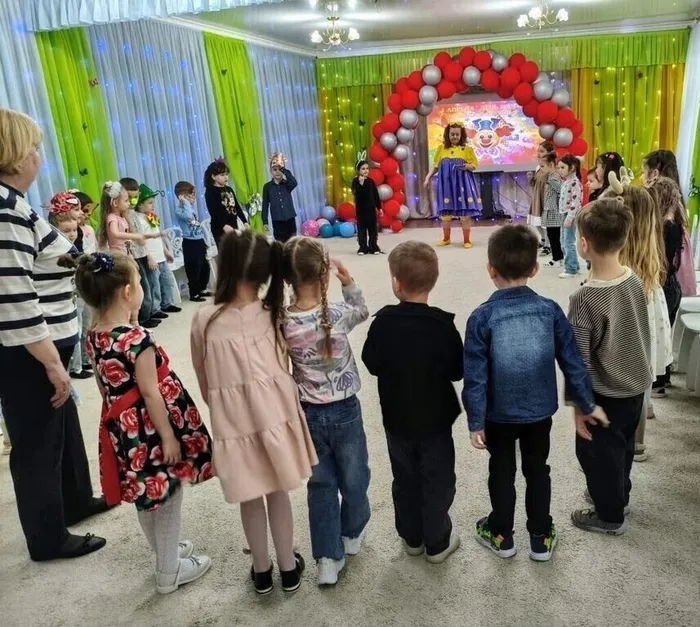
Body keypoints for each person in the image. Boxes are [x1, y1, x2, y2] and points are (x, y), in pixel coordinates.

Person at [70, 252, 213, 594]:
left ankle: (164, 552)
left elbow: (105, 389)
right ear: (128, 292)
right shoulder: (137, 339)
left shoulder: (94, 334)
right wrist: (169, 437)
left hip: (125, 429)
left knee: (146, 493)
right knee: (168, 492)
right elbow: (150, 393)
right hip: (153, 429)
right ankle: (169, 571)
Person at [0, 107, 107, 561]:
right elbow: (13, 299)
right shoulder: (5, 211)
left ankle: (76, 500)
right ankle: (47, 538)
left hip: (52, 336)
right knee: (37, 442)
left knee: (62, 427)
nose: (38, 157)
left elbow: (59, 253)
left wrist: (99, 266)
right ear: (15, 154)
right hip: (28, 350)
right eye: (35, 148)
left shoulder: (17, 203)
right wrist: (50, 363)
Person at [463, 224, 601, 561]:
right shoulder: (550, 310)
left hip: (498, 415)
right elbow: (572, 361)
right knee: (538, 469)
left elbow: (475, 377)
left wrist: (475, 420)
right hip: (540, 412)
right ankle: (540, 535)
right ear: (536, 269)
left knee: (501, 470)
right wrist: (586, 402)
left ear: (490, 269)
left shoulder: (481, 317)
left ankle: (501, 534)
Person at [191, 230, 315, 595]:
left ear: (224, 264)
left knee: (250, 495)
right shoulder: (274, 313)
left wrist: (223, 410)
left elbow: (203, 377)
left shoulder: (204, 319)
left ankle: (262, 572)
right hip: (275, 414)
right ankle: (288, 569)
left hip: (234, 421)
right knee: (277, 491)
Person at [361, 241, 462, 562]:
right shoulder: (443, 326)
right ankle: (437, 542)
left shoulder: (382, 323)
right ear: (433, 281)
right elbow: (458, 370)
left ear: (396, 283)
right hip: (435, 422)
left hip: (397, 420)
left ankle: (412, 537)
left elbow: (371, 363)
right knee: (438, 480)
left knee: (405, 479)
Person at [281, 237, 371, 586]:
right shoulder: (336, 313)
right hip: (346, 410)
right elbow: (361, 310)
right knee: (355, 477)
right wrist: (349, 283)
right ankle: (351, 533)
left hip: (308, 414)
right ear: (324, 273)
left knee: (320, 484)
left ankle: (327, 559)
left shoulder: (281, 320)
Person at [568, 198, 652, 534]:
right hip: (635, 386)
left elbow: (578, 360)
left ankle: (610, 516)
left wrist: (581, 407)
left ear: (583, 245)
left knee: (597, 455)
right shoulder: (633, 278)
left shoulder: (584, 299)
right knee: (622, 449)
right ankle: (618, 496)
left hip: (606, 395)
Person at [605, 173, 671, 462]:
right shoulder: (648, 247)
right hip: (649, 314)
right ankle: (640, 439)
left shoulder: (620, 265)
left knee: (628, 384)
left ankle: (635, 444)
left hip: (631, 322)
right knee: (642, 383)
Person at [647, 177, 686, 397]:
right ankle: (665, 376)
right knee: (664, 332)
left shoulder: (666, 226)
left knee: (658, 335)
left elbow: (665, 263)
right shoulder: (671, 223)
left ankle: (659, 382)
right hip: (671, 286)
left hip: (665, 286)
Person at [423, 122, 480, 249]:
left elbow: (474, 165)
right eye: (452, 134)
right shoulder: (441, 149)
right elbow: (436, 166)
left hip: (462, 184)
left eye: (457, 134)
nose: (454, 136)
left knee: (464, 213)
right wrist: (427, 177)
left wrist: (467, 166)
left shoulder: (467, 149)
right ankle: (446, 238)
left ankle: (466, 240)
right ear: (447, 135)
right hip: (446, 185)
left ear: (461, 135)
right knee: (445, 212)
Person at [131, 184, 180, 323]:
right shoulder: (138, 220)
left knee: (167, 280)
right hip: (152, 258)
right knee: (154, 285)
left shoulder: (152, 217)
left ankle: (167, 303)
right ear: (140, 205)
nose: (153, 205)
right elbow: (141, 242)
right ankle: (154, 309)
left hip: (161, 256)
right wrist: (150, 258)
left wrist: (166, 251)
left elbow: (157, 236)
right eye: (149, 203)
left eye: (153, 202)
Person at [175, 181, 210, 303]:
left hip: (199, 241)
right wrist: (185, 202)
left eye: (193, 195)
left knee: (205, 267)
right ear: (181, 197)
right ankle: (194, 293)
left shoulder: (191, 208)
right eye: (189, 196)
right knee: (193, 269)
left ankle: (202, 289)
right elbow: (188, 217)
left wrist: (204, 241)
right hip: (189, 243)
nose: (193, 198)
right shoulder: (180, 210)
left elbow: (198, 226)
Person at [96, 181, 151, 256]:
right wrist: (134, 236)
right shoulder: (112, 217)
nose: (129, 203)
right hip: (118, 256)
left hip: (126, 253)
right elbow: (115, 233)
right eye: (126, 200)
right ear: (115, 203)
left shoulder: (122, 217)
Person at [204, 159, 247, 247]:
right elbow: (214, 212)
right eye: (222, 175)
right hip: (220, 229)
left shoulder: (229, 189)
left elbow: (237, 207)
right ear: (213, 176)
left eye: (226, 174)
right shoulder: (210, 192)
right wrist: (224, 225)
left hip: (233, 225)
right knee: (226, 252)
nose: (226, 177)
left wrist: (245, 222)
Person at [262, 153, 298, 243]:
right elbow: (265, 204)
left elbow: (294, 182)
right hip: (277, 221)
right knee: (280, 243)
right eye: (275, 170)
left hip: (290, 219)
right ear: (271, 171)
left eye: (280, 170)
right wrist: (265, 221)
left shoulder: (287, 184)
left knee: (293, 243)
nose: (277, 172)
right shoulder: (267, 187)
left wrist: (284, 170)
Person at [557, 154, 583, 279]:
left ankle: (571, 269)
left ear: (572, 168)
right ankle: (574, 265)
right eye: (558, 167)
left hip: (570, 215)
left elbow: (576, 202)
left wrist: (570, 217)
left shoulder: (574, 183)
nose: (559, 170)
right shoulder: (567, 181)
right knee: (563, 241)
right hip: (564, 213)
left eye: (562, 167)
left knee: (568, 242)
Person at [527, 141, 555, 254]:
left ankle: (549, 245)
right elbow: (535, 184)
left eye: (542, 151)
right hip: (537, 198)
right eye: (538, 151)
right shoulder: (538, 167)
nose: (538, 153)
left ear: (549, 153)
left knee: (545, 223)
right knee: (537, 221)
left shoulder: (551, 167)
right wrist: (531, 178)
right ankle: (543, 240)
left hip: (545, 197)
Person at [352, 159, 382, 255]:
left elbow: (376, 195)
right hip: (361, 210)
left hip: (370, 210)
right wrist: (361, 184)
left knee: (372, 229)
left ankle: (373, 246)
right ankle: (363, 247)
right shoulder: (355, 181)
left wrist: (379, 207)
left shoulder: (371, 181)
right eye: (363, 169)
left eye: (367, 168)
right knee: (362, 229)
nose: (366, 171)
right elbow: (357, 194)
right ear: (358, 170)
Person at [539, 152, 563, 267]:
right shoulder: (551, 177)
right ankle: (557, 257)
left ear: (551, 165)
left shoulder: (554, 178)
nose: (541, 169)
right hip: (551, 210)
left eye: (543, 166)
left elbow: (561, 190)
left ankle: (558, 258)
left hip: (554, 211)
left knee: (555, 237)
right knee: (552, 236)